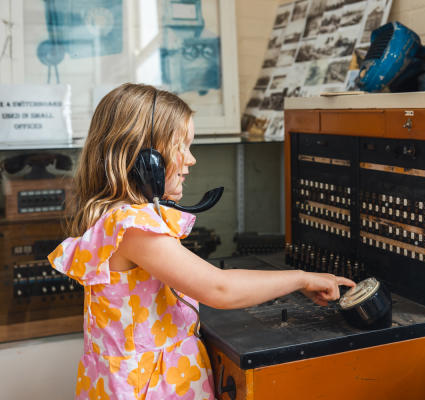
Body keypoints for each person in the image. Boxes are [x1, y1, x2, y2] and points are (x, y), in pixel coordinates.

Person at [48, 83, 355, 400]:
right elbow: (218, 288)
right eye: (180, 146)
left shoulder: (113, 217)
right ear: (146, 161)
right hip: (152, 387)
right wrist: (302, 278)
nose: (190, 159)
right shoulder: (132, 226)